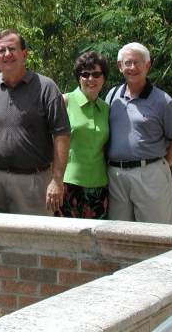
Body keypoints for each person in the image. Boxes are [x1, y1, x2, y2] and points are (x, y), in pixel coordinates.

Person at [0, 30, 71, 216]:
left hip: (33, 183)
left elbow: (61, 134)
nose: (7, 54)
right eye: (1, 51)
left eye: (12, 49)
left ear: (24, 54)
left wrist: (57, 179)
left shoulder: (46, 87)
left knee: (34, 240)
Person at [105, 42, 172, 225]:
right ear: (120, 66)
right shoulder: (112, 96)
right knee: (118, 233)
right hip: (116, 176)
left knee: (154, 232)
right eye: (127, 63)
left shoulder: (163, 101)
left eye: (138, 63)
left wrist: (156, 167)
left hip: (149, 175)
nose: (132, 67)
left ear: (148, 66)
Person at [60, 51, 111, 219]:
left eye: (96, 74)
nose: (91, 79)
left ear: (104, 77)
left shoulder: (107, 109)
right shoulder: (65, 101)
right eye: (85, 74)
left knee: (94, 238)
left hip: (99, 185)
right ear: (78, 77)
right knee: (67, 237)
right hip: (68, 183)